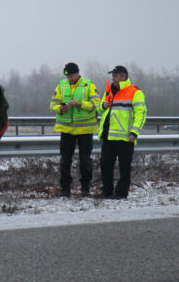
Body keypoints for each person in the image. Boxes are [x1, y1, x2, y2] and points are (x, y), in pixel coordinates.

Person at [50, 62, 100, 197]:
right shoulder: (61, 85)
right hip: (67, 130)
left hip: (85, 130)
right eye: (67, 76)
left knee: (85, 160)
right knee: (65, 160)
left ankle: (85, 189)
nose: (69, 79)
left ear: (77, 73)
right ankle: (65, 189)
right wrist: (60, 108)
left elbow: (96, 104)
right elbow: (53, 104)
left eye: (71, 75)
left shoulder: (89, 85)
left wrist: (79, 104)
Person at [98, 65, 147, 199]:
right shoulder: (109, 91)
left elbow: (141, 114)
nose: (113, 78)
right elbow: (100, 109)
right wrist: (103, 105)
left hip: (125, 138)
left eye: (115, 76)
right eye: (112, 76)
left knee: (124, 167)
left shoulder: (135, 92)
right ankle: (106, 191)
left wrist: (134, 133)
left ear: (123, 77)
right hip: (108, 136)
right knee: (105, 165)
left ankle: (121, 193)